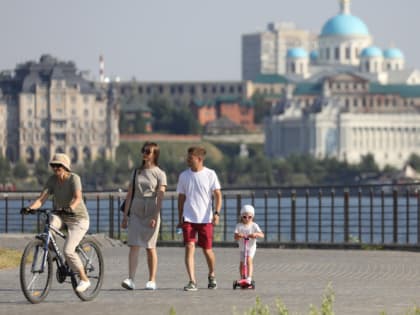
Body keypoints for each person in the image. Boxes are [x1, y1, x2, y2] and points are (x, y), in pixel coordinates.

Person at [22, 153, 91, 293]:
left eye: (58, 165)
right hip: (62, 216)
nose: (55, 168)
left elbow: (78, 197)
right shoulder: (52, 180)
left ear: (65, 167)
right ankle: (51, 252)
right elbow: (41, 199)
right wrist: (30, 208)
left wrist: (70, 207)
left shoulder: (74, 178)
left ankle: (84, 279)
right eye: (53, 165)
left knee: (68, 251)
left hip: (78, 219)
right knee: (48, 224)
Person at [121, 142, 167, 291]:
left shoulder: (160, 173)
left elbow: (160, 197)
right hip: (136, 209)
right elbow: (129, 195)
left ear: (155, 154)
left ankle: (152, 279)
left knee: (150, 246)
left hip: (151, 210)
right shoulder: (136, 172)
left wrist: (155, 215)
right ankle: (131, 279)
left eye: (148, 151)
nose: (145, 154)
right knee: (133, 245)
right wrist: (125, 216)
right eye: (143, 151)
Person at [176, 146, 222, 291]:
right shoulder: (184, 176)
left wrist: (216, 213)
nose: (187, 160)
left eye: (190, 158)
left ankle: (212, 274)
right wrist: (180, 217)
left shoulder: (210, 174)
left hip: (205, 218)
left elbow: (218, 195)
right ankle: (192, 281)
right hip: (189, 217)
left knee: (207, 250)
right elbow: (181, 198)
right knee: (189, 247)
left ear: (199, 159)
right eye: (187, 157)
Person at [234, 204, 264, 284]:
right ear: (241, 216)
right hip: (242, 247)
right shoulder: (239, 226)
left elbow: (262, 235)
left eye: (249, 217)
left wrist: (256, 234)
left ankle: (249, 278)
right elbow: (235, 237)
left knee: (248, 260)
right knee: (241, 262)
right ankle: (242, 277)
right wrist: (239, 235)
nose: (247, 219)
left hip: (251, 247)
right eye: (244, 217)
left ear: (252, 217)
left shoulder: (254, 225)